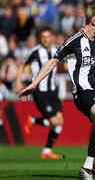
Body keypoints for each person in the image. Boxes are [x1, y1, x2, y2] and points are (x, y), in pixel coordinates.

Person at [18, 6, 95, 180]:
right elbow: (52, 62)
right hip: (83, 92)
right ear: (93, 21)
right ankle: (87, 167)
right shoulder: (75, 40)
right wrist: (34, 83)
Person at [15, 27, 64, 159]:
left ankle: (47, 151)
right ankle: (34, 120)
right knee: (54, 122)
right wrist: (18, 81)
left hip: (53, 90)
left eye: (48, 36)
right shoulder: (35, 51)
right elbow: (22, 65)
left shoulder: (57, 50)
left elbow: (64, 63)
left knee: (60, 121)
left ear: (52, 37)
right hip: (40, 92)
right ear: (40, 38)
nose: (46, 39)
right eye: (43, 37)